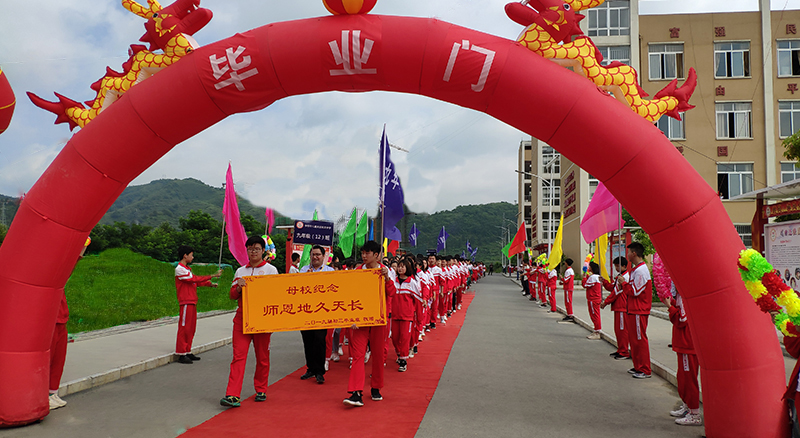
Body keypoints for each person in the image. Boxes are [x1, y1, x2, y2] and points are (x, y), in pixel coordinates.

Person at [220, 236, 278, 408]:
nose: (253, 252)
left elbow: (276, 295)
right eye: (250, 249)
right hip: (242, 318)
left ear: (263, 251)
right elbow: (232, 295)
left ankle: (261, 389)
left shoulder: (271, 270)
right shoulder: (240, 271)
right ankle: (232, 395)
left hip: (262, 318)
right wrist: (238, 287)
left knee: (262, 356)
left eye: (257, 249)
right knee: (238, 356)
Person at [344, 240, 397, 407]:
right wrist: (352, 318)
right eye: (362, 253)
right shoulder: (357, 271)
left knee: (377, 354)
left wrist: (387, 278)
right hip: (360, 320)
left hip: (379, 319)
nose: (364, 256)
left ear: (376, 255)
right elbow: (350, 294)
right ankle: (356, 392)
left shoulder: (386, 271)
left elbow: (392, 292)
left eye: (367, 253)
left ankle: (376, 387)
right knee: (358, 355)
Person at [49, 238, 90, 410]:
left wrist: (84, 242)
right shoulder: (45, 275)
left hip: (62, 320)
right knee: (48, 360)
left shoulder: (61, 274)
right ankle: (43, 394)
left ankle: (52, 393)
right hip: (50, 321)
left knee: (59, 360)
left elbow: (74, 260)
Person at [174, 245, 222, 364]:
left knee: (191, 328)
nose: (193, 256)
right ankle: (181, 353)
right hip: (185, 301)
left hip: (192, 301)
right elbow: (193, 279)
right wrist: (212, 275)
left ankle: (187, 350)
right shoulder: (180, 269)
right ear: (185, 255)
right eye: (191, 254)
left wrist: (209, 284)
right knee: (184, 328)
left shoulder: (187, 269)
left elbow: (195, 283)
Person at [299, 245, 334, 384]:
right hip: (306, 310)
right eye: (313, 254)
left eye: (318, 254)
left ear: (323, 256)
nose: (315, 257)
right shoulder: (303, 270)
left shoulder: (329, 271)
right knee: (307, 340)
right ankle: (310, 369)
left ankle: (320, 371)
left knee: (319, 340)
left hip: (321, 310)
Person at [668, 284, 702, 426]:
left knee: (689, 379)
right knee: (682, 377)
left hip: (687, 343)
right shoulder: (680, 296)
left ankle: (694, 413)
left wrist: (669, 306)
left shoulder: (686, 296)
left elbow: (682, 320)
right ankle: (687, 406)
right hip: (682, 343)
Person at [621, 242, 652, 379]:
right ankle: (638, 365)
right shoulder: (636, 270)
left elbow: (634, 291)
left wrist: (623, 283)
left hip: (639, 310)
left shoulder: (641, 271)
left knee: (640, 340)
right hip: (633, 310)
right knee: (634, 340)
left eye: (628, 252)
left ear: (634, 254)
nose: (627, 255)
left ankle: (645, 369)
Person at [391, 257, 421, 372]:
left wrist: (419, 317)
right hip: (394, 315)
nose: (400, 268)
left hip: (407, 317)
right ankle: (399, 354)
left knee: (404, 338)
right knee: (394, 338)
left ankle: (403, 361)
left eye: (402, 266)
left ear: (407, 268)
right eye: (399, 266)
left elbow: (418, 300)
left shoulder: (411, 282)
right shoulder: (393, 282)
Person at [601, 256, 630, 359]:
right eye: (615, 266)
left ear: (624, 266)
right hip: (618, 307)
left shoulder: (625, 277)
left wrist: (606, 302)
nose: (616, 268)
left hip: (622, 306)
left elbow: (616, 292)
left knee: (622, 330)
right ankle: (620, 349)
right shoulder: (619, 276)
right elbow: (612, 288)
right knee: (618, 330)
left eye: (618, 266)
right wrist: (604, 282)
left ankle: (624, 351)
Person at [581, 262, 603, 340]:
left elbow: (585, 285)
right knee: (595, 315)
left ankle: (597, 331)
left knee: (594, 315)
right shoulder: (596, 277)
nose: (588, 267)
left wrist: (584, 278)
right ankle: (596, 330)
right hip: (596, 298)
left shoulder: (593, 277)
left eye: (589, 266)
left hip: (593, 298)